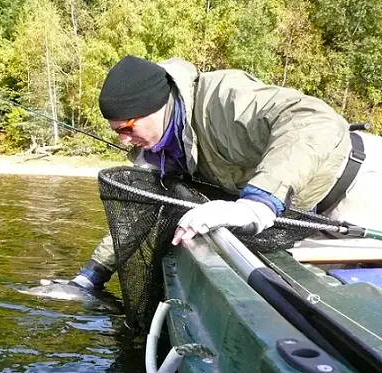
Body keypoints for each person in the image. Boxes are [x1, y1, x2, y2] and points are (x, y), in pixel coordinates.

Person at [65, 55, 382, 291]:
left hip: (359, 185)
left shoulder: (223, 97)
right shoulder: (159, 150)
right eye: (116, 131)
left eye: (127, 128)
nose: (122, 139)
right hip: (302, 219)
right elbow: (141, 213)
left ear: (156, 106)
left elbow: (316, 121)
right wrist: (91, 275)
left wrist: (258, 201)